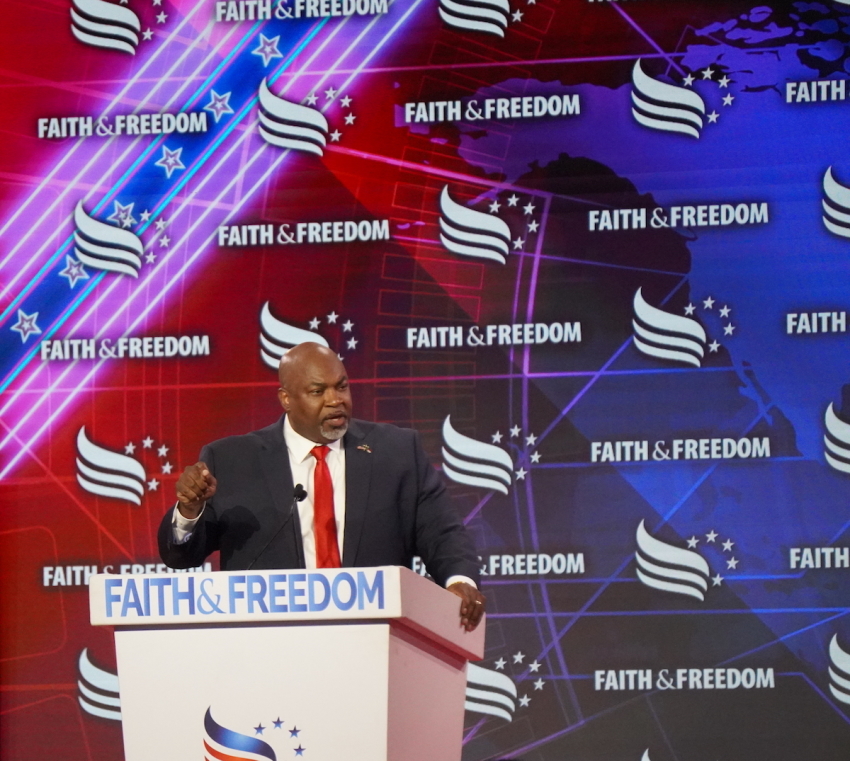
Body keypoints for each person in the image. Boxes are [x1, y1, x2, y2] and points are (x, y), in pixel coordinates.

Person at [158, 342, 485, 630]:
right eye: (318, 391)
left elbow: (442, 532)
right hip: (269, 643)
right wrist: (189, 509)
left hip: (375, 638)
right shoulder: (232, 461)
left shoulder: (396, 451)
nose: (335, 400)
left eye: (341, 387)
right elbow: (181, 557)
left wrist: (460, 581)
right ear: (286, 399)